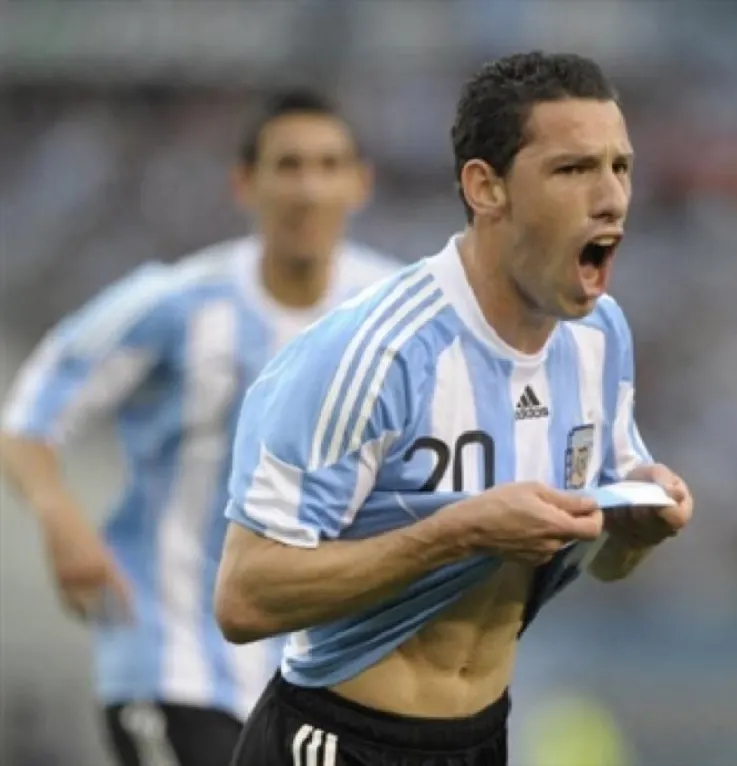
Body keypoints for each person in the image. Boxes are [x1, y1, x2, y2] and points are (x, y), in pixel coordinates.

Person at [216, 51, 694, 766]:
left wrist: (638, 530)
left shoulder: (599, 338)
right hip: (338, 738)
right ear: (486, 187)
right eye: (572, 170)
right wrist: (456, 533)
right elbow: (244, 599)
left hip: (479, 739)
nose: (611, 198)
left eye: (619, 167)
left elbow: (606, 565)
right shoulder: (375, 352)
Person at [0, 89, 398, 766]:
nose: (308, 188)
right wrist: (59, 519)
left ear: (360, 184)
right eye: (289, 165)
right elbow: (31, 412)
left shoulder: (395, 315)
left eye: (329, 166)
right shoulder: (176, 302)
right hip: (172, 653)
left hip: (319, 678)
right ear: (246, 183)